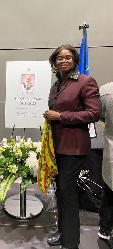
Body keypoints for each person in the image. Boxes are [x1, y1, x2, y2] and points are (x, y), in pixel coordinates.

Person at [43, 44, 100, 249]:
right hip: (56, 147)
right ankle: (62, 231)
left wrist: (60, 116)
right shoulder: (56, 86)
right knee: (59, 190)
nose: (64, 60)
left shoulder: (86, 82)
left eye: (68, 57)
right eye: (59, 58)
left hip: (74, 147)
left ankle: (72, 242)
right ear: (54, 63)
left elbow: (94, 114)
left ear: (75, 60)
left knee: (67, 191)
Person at [98, 82, 113, 241]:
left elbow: (100, 115)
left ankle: (105, 228)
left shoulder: (106, 91)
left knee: (109, 191)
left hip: (112, 149)